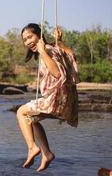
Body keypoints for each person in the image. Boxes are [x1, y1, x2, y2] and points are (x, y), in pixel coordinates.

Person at [17, 23, 79, 172]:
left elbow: (58, 74)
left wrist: (43, 52)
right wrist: (60, 41)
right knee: (31, 120)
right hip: (66, 101)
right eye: (25, 40)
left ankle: (32, 148)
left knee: (20, 112)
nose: (27, 42)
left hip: (56, 100)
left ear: (39, 34)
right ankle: (47, 153)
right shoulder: (53, 48)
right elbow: (72, 55)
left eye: (30, 37)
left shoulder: (48, 51)